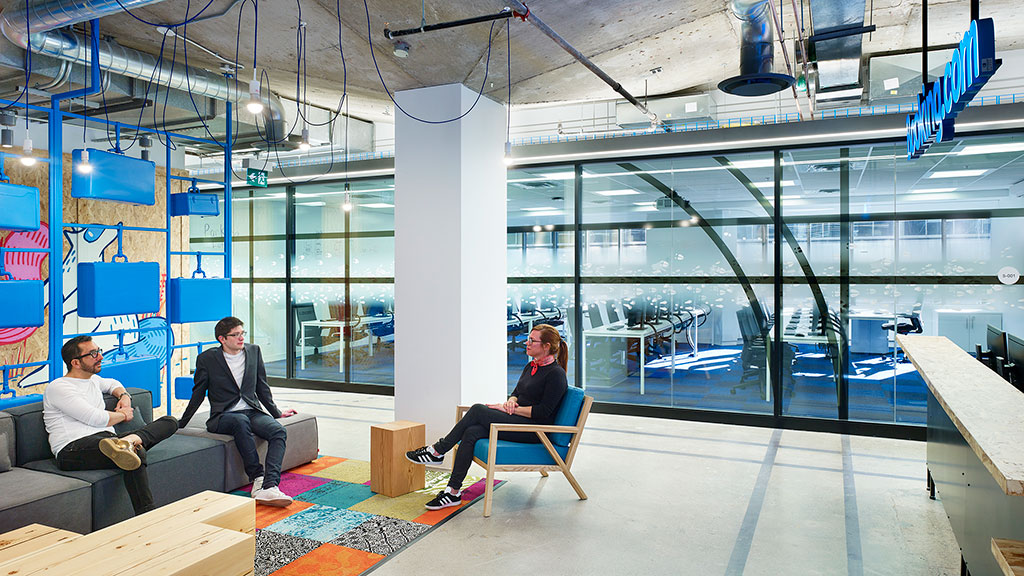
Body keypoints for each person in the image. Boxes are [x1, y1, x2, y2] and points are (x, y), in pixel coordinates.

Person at [406, 323, 568, 510]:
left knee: (477, 410)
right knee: (472, 431)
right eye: (528, 339)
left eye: (532, 340)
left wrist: (510, 409)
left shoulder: (556, 374)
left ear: (546, 346)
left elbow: (543, 413)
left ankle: (437, 451)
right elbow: (517, 392)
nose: (527, 343)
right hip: (519, 421)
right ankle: (452, 492)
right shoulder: (531, 366)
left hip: (534, 430)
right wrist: (511, 401)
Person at [43, 335, 179, 515]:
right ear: (75, 363)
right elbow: (94, 418)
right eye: (93, 354)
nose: (100, 356)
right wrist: (123, 415)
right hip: (72, 449)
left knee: (170, 421)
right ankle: (147, 514)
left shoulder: (92, 380)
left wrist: (124, 397)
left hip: (107, 441)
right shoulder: (59, 387)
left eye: (98, 351)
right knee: (136, 451)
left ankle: (128, 441)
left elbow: (113, 384)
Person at [178, 316, 297, 507]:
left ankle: (270, 486)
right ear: (222, 339)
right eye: (235, 335)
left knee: (278, 431)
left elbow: (262, 386)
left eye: (242, 333)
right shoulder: (207, 359)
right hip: (223, 416)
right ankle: (257, 477)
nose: (241, 338)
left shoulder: (254, 351)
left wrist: (276, 412)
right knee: (240, 422)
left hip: (252, 410)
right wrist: (181, 423)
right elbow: (198, 393)